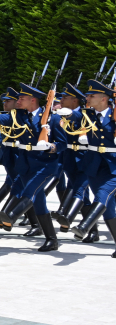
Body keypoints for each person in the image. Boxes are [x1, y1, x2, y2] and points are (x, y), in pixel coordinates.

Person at [0, 83, 61, 251]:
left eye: (21, 98)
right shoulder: (19, 115)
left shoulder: (52, 118)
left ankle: (11, 216)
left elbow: (62, 143)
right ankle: (51, 239)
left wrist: (52, 147)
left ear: (32, 100)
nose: (18, 101)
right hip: (25, 163)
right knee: (39, 202)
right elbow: (5, 119)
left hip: (45, 164)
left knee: (30, 192)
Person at [67, 80, 116, 254]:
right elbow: (76, 117)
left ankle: (84, 226)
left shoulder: (115, 114)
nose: (87, 98)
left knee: (103, 195)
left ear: (104, 99)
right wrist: (66, 115)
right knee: (108, 207)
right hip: (94, 164)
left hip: (114, 165)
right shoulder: (88, 114)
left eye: (91, 96)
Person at [51, 83, 96, 238]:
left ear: (75, 101)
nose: (61, 100)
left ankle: (68, 218)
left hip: (86, 158)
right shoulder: (62, 116)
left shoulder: (86, 115)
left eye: (65, 97)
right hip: (69, 158)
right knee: (83, 195)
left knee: (79, 189)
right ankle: (93, 231)